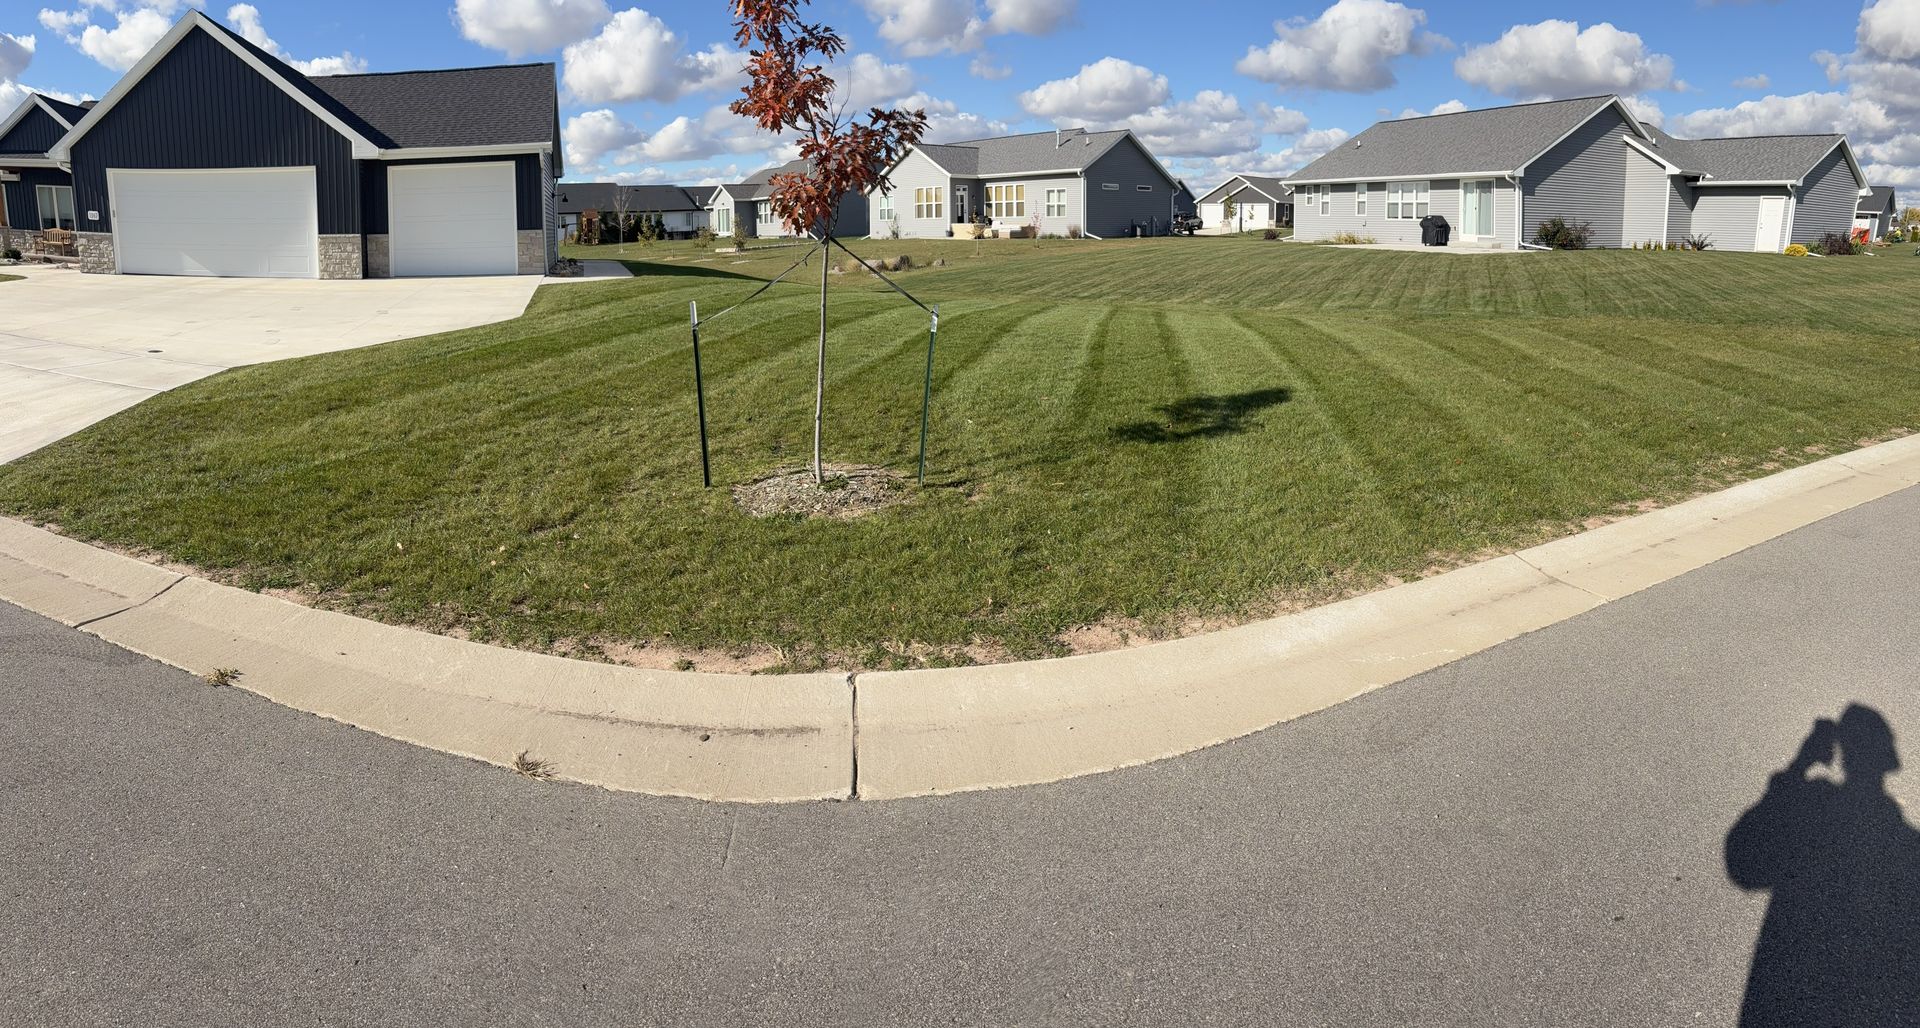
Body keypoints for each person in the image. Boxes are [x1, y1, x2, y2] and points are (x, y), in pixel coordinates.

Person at [1725, 705, 1920, 1026]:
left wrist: (1799, 765)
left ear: (1840, 755)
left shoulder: (1811, 814)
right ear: (1890, 760)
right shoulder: (1910, 849)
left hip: (1792, 1006)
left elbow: (1743, 861)